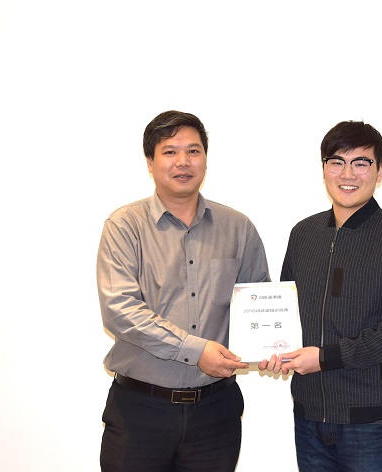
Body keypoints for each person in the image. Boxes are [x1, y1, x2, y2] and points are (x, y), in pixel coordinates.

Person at [97, 110, 270, 471]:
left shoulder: (238, 228)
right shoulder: (125, 226)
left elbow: (259, 305)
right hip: (139, 411)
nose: (183, 162)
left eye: (193, 151)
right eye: (170, 151)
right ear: (150, 162)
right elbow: (120, 310)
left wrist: (271, 346)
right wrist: (195, 350)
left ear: (205, 158)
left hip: (215, 413)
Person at [260, 120, 382, 471]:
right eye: (337, 162)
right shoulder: (303, 234)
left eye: (361, 162)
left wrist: (325, 358)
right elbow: (285, 313)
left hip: (370, 423)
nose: (347, 173)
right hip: (309, 417)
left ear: (379, 171)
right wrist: (273, 349)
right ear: (324, 168)